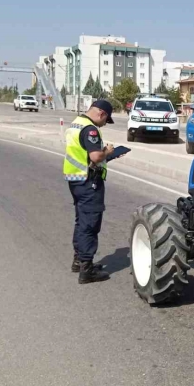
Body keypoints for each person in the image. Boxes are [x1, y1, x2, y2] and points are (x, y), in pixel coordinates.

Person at [63, 99, 116, 284]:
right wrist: (107, 151)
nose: (104, 124)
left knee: (81, 221)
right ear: (101, 113)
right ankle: (87, 269)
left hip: (75, 179)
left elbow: (83, 155)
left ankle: (78, 260)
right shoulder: (90, 129)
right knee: (90, 224)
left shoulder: (75, 124)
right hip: (88, 182)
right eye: (106, 120)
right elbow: (95, 156)